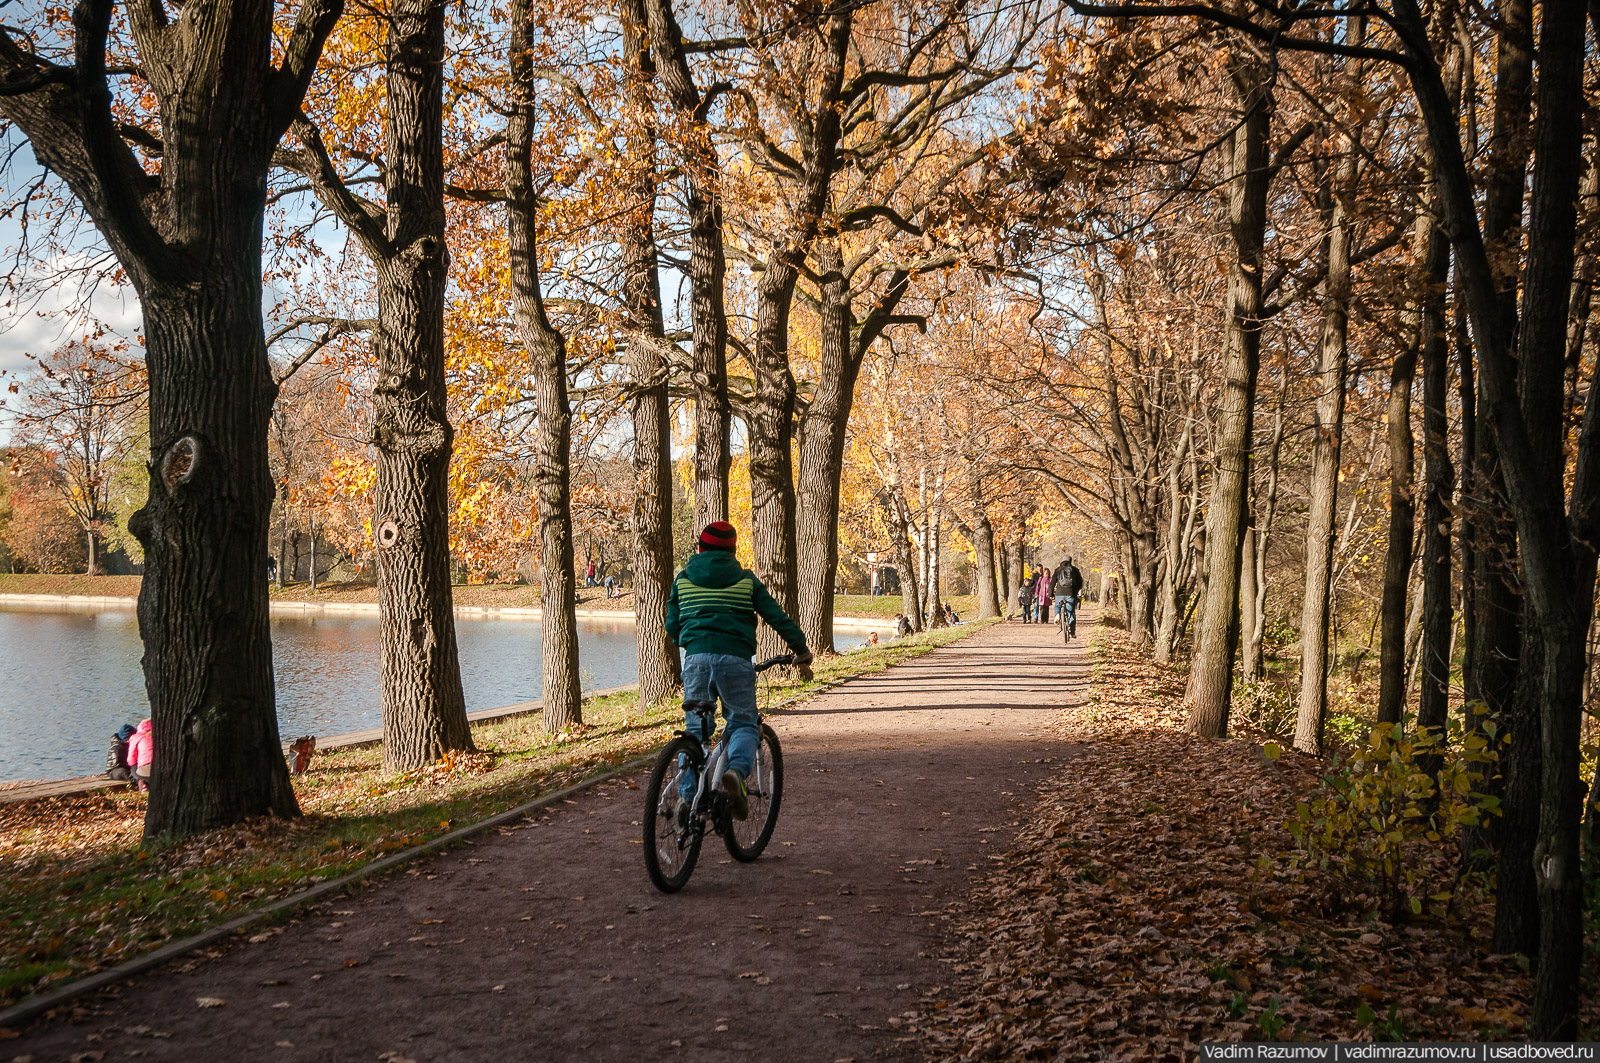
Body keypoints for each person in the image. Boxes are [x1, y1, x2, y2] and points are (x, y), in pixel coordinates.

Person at [666, 521, 813, 819]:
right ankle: (735, 772)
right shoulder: (746, 581)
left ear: (700, 549)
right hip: (735, 660)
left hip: (696, 660)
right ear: (733, 552)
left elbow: (672, 624)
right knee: (744, 724)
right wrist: (801, 650)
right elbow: (777, 616)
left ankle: (687, 801)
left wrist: (693, 642)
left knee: (695, 731)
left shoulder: (683, 580)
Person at [1053, 555, 1084, 638]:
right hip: (1070, 594)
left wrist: (1050, 593)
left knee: (1057, 606)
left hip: (1059, 593)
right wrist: (1076, 592)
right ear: (1071, 561)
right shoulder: (1075, 570)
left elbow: (1052, 583)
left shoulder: (1058, 570)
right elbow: (1080, 583)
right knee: (1071, 613)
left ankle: (1057, 614)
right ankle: (1072, 632)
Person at [126, 718, 153, 792]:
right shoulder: (161, 735)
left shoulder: (136, 737)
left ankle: (142, 785)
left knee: (134, 767)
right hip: (162, 770)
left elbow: (131, 761)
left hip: (145, 773)